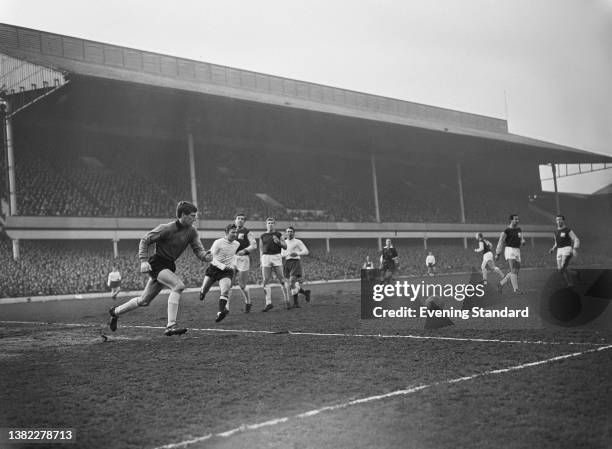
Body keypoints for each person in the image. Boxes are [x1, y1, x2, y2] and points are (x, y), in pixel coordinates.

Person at [108, 201, 212, 336]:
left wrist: (205, 256)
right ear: (183, 215)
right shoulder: (167, 228)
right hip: (157, 263)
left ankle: (115, 312)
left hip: (169, 265)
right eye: (192, 216)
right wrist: (143, 261)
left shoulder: (192, 231)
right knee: (178, 286)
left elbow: (198, 249)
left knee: (144, 301)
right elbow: (145, 240)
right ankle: (171, 325)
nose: (195, 218)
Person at [199, 224, 240, 323]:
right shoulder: (218, 242)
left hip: (226, 272)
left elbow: (232, 255)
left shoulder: (237, 244)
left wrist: (233, 265)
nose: (235, 234)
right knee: (205, 289)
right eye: (232, 232)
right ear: (226, 233)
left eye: (236, 232)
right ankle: (202, 292)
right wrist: (222, 266)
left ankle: (220, 312)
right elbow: (210, 259)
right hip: (214, 269)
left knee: (225, 290)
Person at [260, 217, 289, 311]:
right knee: (265, 280)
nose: (270, 224)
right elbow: (261, 249)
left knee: (281, 279)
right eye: (269, 223)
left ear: (274, 224)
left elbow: (285, 246)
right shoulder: (262, 235)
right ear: (266, 224)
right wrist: (261, 260)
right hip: (265, 257)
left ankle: (287, 300)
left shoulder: (278, 234)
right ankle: (268, 303)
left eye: (272, 223)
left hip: (276, 256)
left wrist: (279, 242)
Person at [232, 213, 258, 313]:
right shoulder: (231, 230)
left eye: (242, 219)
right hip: (232, 258)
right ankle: (225, 308)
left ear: (244, 221)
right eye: (238, 218)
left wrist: (245, 250)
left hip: (243, 259)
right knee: (228, 283)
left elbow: (254, 245)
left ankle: (248, 301)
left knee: (242, 285)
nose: (240, 220)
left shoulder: (247, 232)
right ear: (235, 220)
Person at [495, 214, 526, 294]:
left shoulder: (519, 229)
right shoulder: (506, 231)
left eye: (518, 219)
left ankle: (500, 284)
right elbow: (500, 241)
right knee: (513, 270)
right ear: (511, 220)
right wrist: (498, 253)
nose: (517, 221)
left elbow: (521, 238)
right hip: (510, 250)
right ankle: (516, 290)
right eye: (515, 219)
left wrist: (523, 241)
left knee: (515, 271)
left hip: (517, 251)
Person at [281, 226, 311, 308]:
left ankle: (296, 303)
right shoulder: (283, 242)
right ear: (286, 233)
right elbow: (282, 253)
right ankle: (305, 292)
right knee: (291, 285)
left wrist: (297, 253)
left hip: (295, 262)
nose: (289, 233)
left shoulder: (298, 242)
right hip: (287, 263)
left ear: (294, 233)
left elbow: (306, 251)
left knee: (291, 282)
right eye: (288, 231)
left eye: (291, 231)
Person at [548, 214, 580, 286]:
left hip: (567, 249)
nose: (558, 221)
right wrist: (553, 249)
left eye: (560, 219)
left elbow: (576, 239)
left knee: (563, 266)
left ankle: (570, 284)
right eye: (557, 220)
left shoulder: (568, 230)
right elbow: (556, 243)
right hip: (559, 250)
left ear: (563, 220)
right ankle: (575, 273)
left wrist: (574, 249)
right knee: (560, 270)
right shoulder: (555, 232)